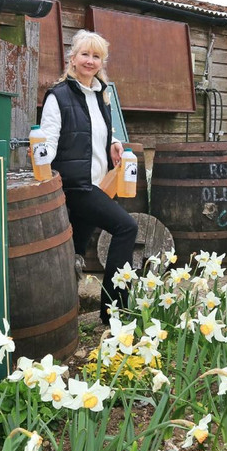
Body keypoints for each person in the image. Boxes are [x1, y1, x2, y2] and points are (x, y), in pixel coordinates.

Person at [37, 29, 138, 324]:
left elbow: (97, 130)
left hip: (96, 181)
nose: (90, 61)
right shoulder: (59, 96)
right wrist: (46, 176)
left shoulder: (100, 93)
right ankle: (114, 312)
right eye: (85, 54)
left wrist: (113, 141)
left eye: (96, 56)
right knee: (126, 227)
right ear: (72, 58)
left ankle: (64, 311)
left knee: (74, 251)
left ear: (102, 62)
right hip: (75, 185)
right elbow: (49, 140)